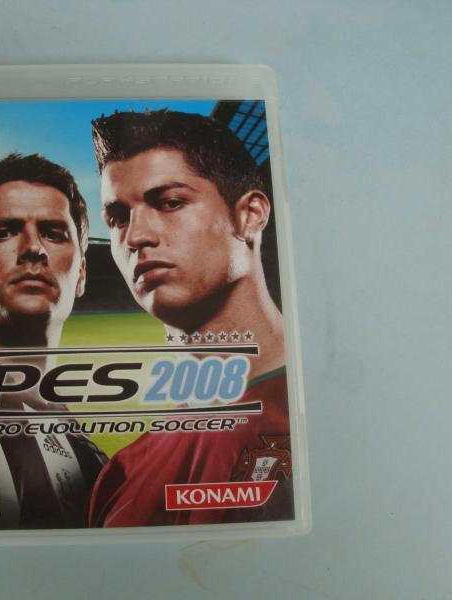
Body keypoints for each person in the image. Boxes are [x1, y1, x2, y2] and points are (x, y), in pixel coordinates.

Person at [87, 110, 293, 527]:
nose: (136, 236)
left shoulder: (330, 418)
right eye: (118, 218)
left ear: (250, 215)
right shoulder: (120, 475)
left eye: (170, 203)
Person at [0, 153, 105, 530]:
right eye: (4, 231)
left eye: (54, 233)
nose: (33, 248)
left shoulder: (68, 432)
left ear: (80, 275)